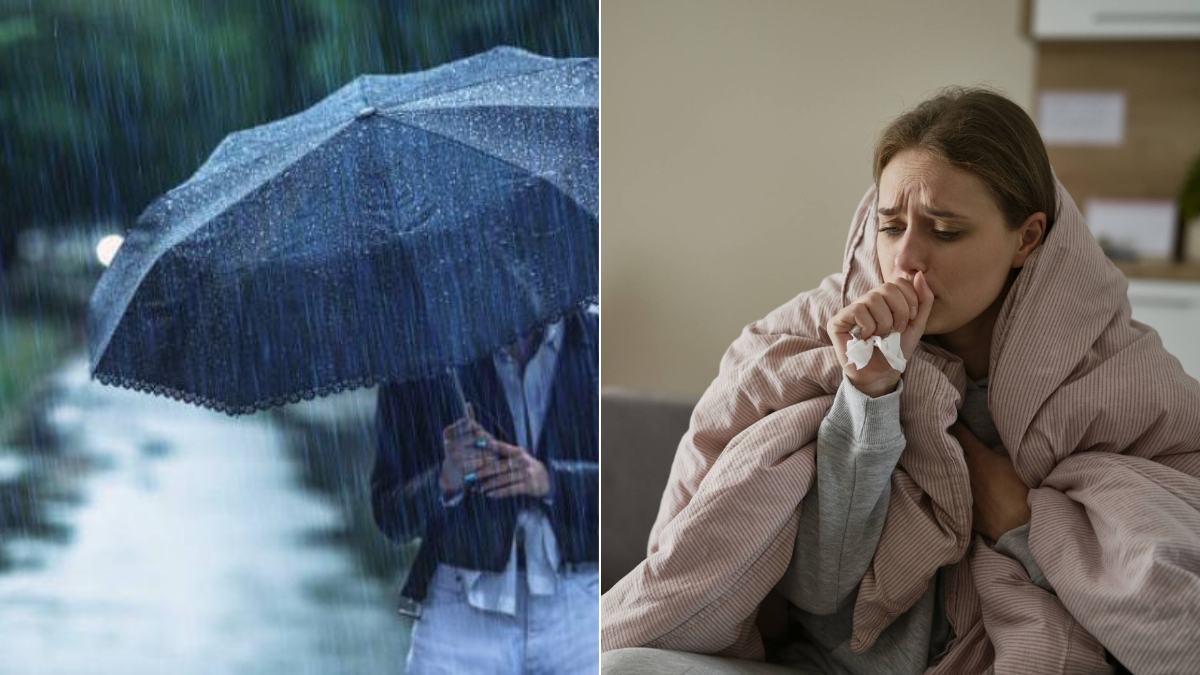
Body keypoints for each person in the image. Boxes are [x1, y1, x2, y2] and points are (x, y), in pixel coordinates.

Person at [599, 88, 1189, 673]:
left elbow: (1169, 608)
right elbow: (819, 590)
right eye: (890, 225)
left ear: (1027, 238)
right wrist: (868, 396)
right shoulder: (811, 339)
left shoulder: (1118, 372)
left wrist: (1023, 526)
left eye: (946, 231)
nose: (907, 258)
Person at [373, 304, 599, 674]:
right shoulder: (419, 358)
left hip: (582, 605)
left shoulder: (598, 342)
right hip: (459, 607)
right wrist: (446, 477)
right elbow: (389, 515)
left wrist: (550, 480)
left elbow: (638, 491)